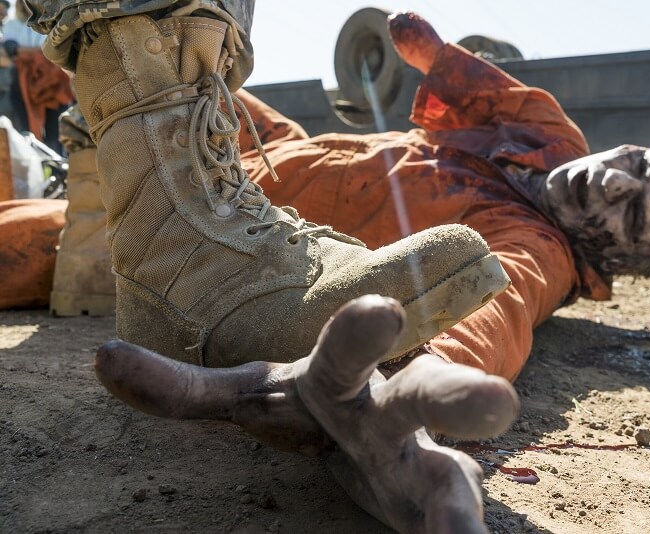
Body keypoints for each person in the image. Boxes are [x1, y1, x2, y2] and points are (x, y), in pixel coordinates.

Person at [12, 5, 650, 533]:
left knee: (35, 245)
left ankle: (103, 214)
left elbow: (496, 305)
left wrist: (407, 388)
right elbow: (449, 65)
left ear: (616, 257)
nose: (617, 183)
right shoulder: (553, 134)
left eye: (636, 216)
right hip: (275, 148)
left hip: (244, 213)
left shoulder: (539, 249)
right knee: (174, 59)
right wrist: (425, 50)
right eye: (640, 165)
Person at [21, 2, 518, 532]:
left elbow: (498, 297)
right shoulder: (496, 136)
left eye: (623, 205)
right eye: (623, 162)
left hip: (252, 236)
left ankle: (139, 269)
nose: (616, 177)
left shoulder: (525, 220)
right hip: (236, 206)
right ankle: (140, 258)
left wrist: (392, 375)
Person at [2, 0, 71, 153]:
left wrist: (25, 52)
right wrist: (40, 52)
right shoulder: (12, 25)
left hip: (52, 83)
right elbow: (12, 49)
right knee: (27, 132)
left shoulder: (54, 22)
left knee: (55, 133)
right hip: (22, 85)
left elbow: (55, 49)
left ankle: (56, 171)